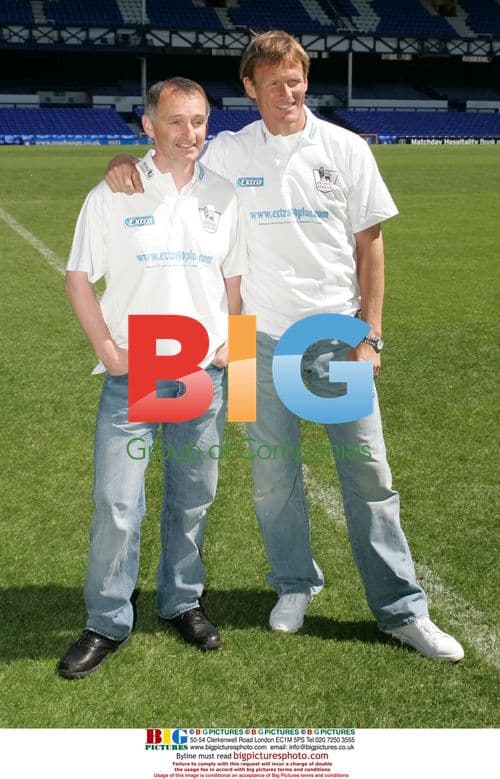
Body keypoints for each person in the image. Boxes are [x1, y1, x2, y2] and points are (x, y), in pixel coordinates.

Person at [105, 32, 464, 662]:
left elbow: (370, 246)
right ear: (250, 88)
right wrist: (126, 165)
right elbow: (174, 158)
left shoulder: (347, 149)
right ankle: (294, 585)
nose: (286, 92)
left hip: (333, 334)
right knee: (271, 478)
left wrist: (371, 334)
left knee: (369, 477)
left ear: (306, 80)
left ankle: (402, 609)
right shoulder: (230, 149)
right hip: (249, 339)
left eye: (295, 79)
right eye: (272, 82)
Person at [58, 77, 247, 679]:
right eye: (174, 122)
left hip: (203, 375)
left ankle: (181, 600)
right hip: (137, 374)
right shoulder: (116, 191)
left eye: (198, 121)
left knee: (193, 498)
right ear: (149, 126)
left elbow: (238, 286)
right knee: (119, 502)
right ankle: (107, 619)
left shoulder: (225, 193)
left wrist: (233, 361)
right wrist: (111, 352)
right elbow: (78, 278)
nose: (188, 134)